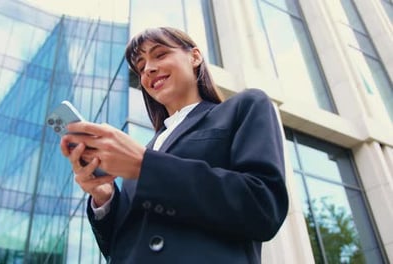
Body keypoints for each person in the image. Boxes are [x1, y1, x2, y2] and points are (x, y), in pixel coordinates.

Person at [60, 27, 289, 263]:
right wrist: (104, 198)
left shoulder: (244, 107)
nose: (148, 69)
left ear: (195, 56)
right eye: (140, 67)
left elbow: (262, 208)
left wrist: (145, 166)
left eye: (160, 54)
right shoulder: (145, 150)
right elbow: (119, 247)